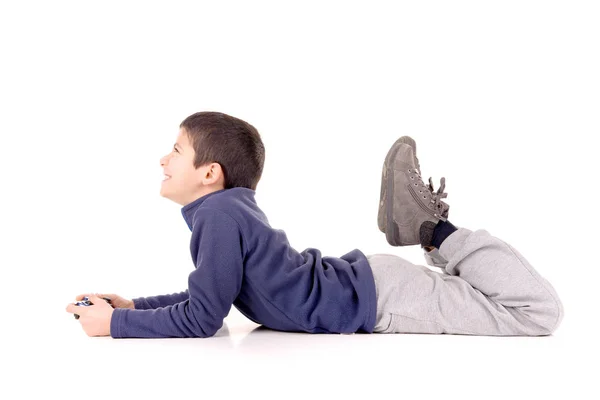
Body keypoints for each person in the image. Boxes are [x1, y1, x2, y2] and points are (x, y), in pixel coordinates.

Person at [65, 111, 564, 338]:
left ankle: (433, 230)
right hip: (374, 285)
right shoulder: (225, 211)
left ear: (209, 174)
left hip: (380, 299)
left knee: (536, 313)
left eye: (175, 150)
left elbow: (204, 320)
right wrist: (134, 305)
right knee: (492, 304)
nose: (162, 159)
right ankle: (429, 232)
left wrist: (117, 324)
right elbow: (207, 298)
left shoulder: (219, 215)